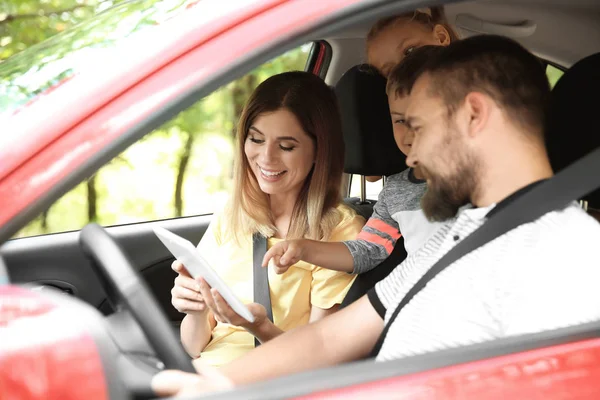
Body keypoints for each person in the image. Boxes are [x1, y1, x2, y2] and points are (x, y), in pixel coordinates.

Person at [153, 34, 600, 396]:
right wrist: (212, 384)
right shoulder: (459, 238)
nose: (411, 155)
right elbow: (328, 340)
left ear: (474, 115)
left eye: (419, 127)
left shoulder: (568, 257)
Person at [170, 71, 364, 367]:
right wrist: (195, 310)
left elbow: (319, 361)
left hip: (273, 384)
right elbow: (194, 346)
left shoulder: (337, 232)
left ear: (319, 151)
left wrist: (258, 326)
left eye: (286, 146)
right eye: (256, 139)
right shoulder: (233, 214)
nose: (266, 158)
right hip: (207, 376)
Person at [263, 46, 446, 276]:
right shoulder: (396, 191)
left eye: (422, 119)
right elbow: (367, 250)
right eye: (399, 120)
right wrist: (303, 248)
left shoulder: (480, 180)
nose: (409, 133)